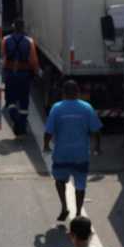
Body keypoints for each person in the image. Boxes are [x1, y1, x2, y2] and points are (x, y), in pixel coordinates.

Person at [42, 79, 102, 221]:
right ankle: (78, 213)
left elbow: (48, 132)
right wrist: (97, 147)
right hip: (81, 155)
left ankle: (64, 207)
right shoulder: (87, 108)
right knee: (80, 185)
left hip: (61, 155)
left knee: (59, 181)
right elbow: (96, 130)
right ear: (78, 93)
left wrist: (46, 145)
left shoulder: (56, 108)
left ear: (63, 93)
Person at [2, 22, 35, 135]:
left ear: (13, 27)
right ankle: (21, 124)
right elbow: (33, 61)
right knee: (24, 101)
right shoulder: (29, 41)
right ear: (23, 28)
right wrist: (36, 72)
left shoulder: (5, 40)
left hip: (10, 74)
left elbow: (3, 57)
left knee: (10, 101)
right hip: (24, 75)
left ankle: (16, 120)